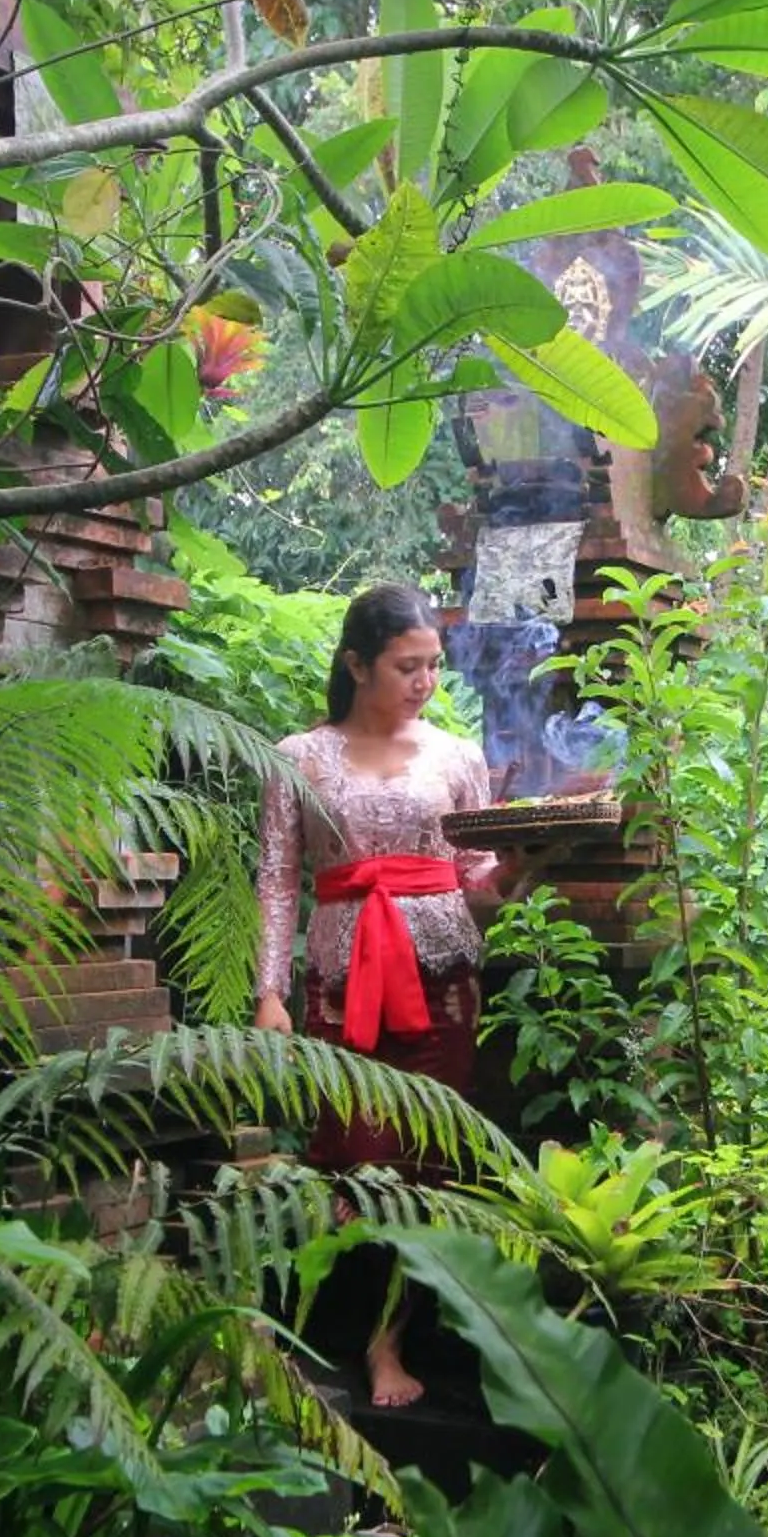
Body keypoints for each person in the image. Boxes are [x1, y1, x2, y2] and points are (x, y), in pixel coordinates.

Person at [254, 583, 529, 1408]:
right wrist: (268, 990)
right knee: (355, 1160)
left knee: (427, 1167)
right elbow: (275, 882)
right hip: (341, 993)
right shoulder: (297, 757)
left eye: (434, 666)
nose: (426, 682)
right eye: (408, 666)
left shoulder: (458, 758)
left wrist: (522, 870)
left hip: (445, 991)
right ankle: (308, 1327)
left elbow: (478, 885)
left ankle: (388, 1345)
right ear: (355, 664)